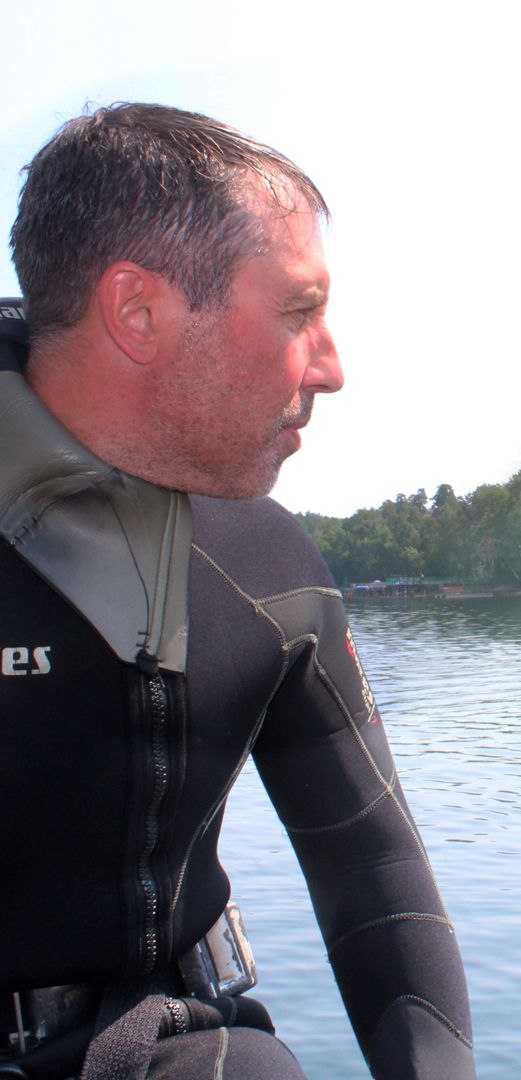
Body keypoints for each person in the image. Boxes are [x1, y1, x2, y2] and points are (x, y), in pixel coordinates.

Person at [0, 105, 473, 1079]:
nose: (333, 368)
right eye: (300, 312)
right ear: (138, 313)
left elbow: (371, 867)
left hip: (187, 1047)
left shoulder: (266, 564)